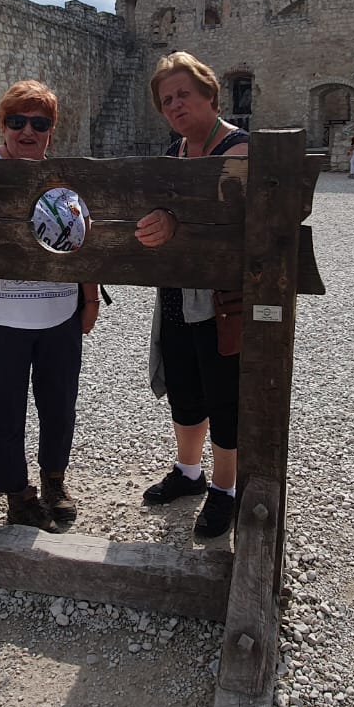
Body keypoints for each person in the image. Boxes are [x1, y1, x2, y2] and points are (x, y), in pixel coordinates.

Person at [0, 82, 100, 534]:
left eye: (39, 123)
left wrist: (90, 297)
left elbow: (86, 242)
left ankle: (54, 480)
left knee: (59, 405)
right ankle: (17, 495)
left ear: (51, 130)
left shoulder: (65, 179)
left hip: (59, 314)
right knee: (5, 410)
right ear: (3, 125)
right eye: (17, 121)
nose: (27, 131)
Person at [134, 51, 249, 539]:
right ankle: (189, 471)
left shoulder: (240, 149)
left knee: (223, 394)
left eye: (183, 94)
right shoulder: (173, 155)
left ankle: (225, 487)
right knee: (184, 386)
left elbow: (232, 221)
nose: (175, 106)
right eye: (166, 101)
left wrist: (175, 223)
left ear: (209, 94)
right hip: (178, 294)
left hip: (224, 299)